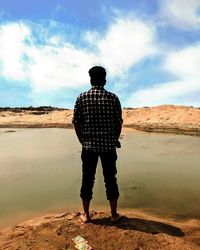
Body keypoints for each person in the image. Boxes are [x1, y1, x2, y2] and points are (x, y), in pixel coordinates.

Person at [72, 66, 123, 223]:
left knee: (87, 179)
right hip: (108, 146)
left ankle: (86, 215)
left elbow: (76, 122)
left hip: (88, 147)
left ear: (91, 80)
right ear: (105, 80)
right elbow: (118, 123)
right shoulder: (113, 98)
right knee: (110, 179)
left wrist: (82, 140)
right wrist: (115, 138)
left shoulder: (82, 98)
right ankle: (113, 215)